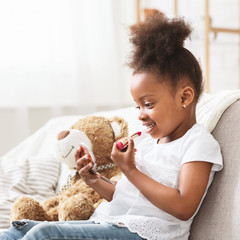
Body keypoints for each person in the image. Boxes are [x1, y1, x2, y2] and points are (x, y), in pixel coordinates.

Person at [0, 12, 222, 240]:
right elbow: (126, 196)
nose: (142, 115)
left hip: (148, 235)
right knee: (20, 229)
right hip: (114, 222)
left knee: (46, 233)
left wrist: (130, 170)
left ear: (184, 98)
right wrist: (94, 180)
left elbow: (184, 207)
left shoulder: (197, 143)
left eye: (148, 104)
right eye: (137, 107)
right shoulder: (146, 141)